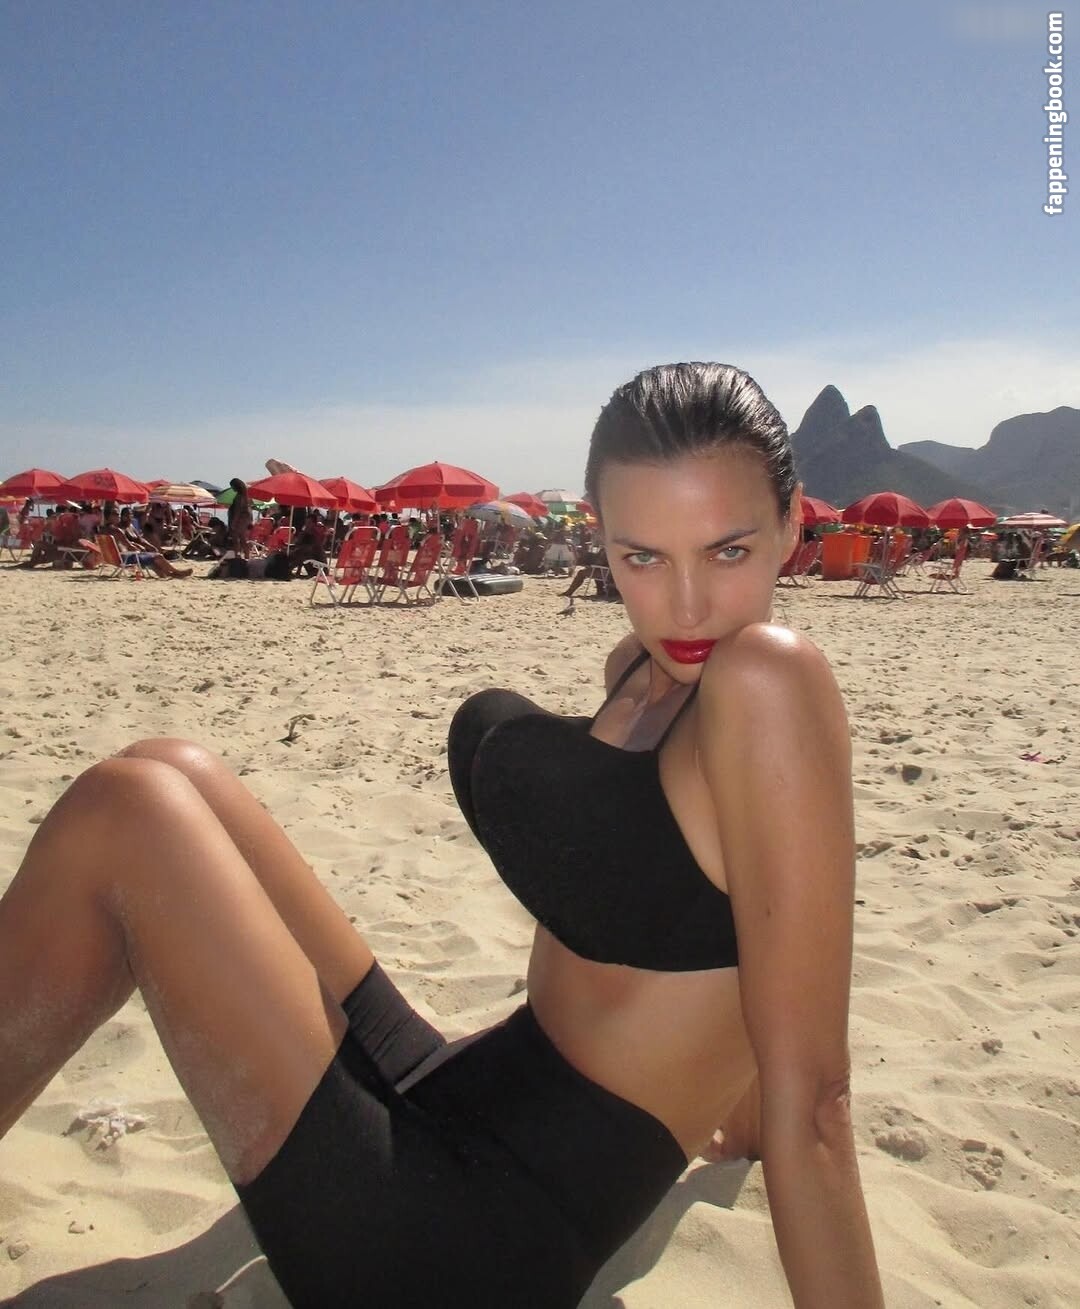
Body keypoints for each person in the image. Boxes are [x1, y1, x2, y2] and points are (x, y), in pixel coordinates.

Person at [0, 363, 883, 1308]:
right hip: (459, 1092)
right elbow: (733, 926)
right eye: (644, 557)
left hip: (463, 1246)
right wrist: (737, 1119)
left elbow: (817, 1102)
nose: (688, 605)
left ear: (793, 523)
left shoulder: (767, 679)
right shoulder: (645, 666)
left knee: (127, 813)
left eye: (728, 551)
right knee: (175, 767)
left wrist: (770, 1115)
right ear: (603, 540)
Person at [226, 478, 252, 557]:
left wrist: (233, 522)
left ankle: (237, 555)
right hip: (244, 520)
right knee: (242, 538)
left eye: (232, 486)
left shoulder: (239, 497)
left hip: (240, 520)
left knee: (236, 539)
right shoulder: (245, 496)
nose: (232, 488)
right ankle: (246, 555)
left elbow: (238, 511)